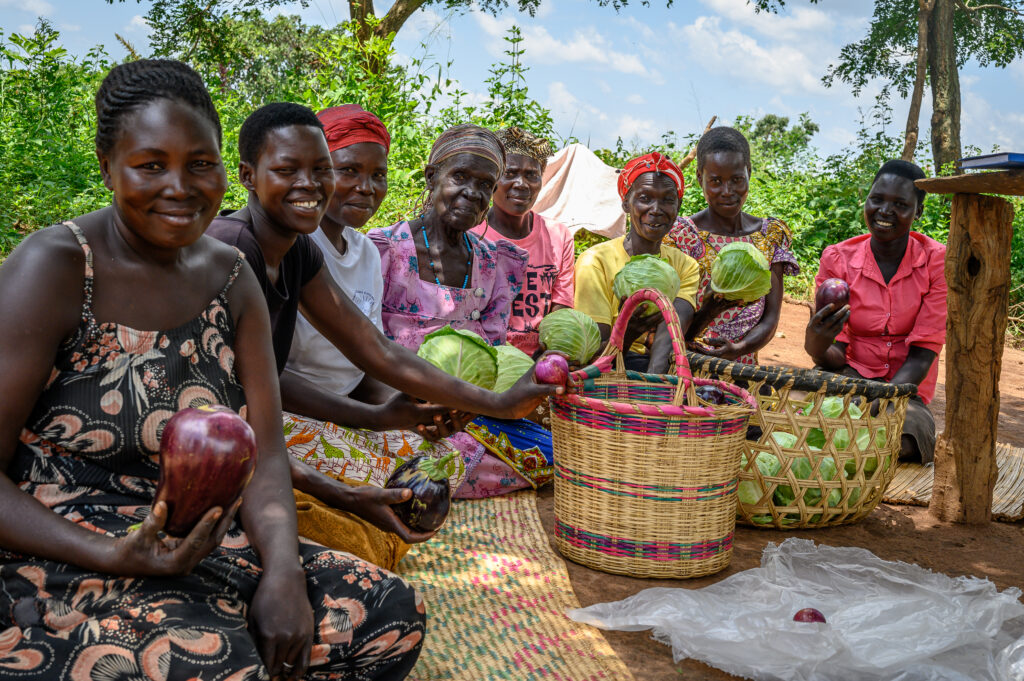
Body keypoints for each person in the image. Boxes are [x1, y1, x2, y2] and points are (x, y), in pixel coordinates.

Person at [0, 59, 422, 681]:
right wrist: (116, 554)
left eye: (201, 164)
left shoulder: (232, 276)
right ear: (106, 166)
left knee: (388, 613)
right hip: (59, 549)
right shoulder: (57, 267)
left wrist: (281, 572)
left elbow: (267, 453)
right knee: (215, 663)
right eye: (150, 165)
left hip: (200, 540)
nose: (181, 186)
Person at [206, 108, 559, 527]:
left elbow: (374, 350)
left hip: (298, 415)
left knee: (432, 473)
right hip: (230, 426)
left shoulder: (303, 251)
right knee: (401, 489)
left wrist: (482, 403)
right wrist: (374, 422)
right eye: (289, 169)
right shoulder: (231, 247)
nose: (311, 184)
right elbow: (260, 382)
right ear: (248, 175)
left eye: (321, 170)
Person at [278, 105, 482, 566]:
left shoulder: (366, 252)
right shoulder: (291, 249)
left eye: (377, 174)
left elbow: (366, 361)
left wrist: (411, 411)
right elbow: (274, 377)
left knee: (443, 461)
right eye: (348, 170)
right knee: (395, 483)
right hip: (291, 414)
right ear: (315, 171)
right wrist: (375, 420)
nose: (365, 187)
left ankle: (340, 509)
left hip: (349, 410)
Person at [369, 125, 552, 497]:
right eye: (460, 176)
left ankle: (430, 476)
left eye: (485, 184)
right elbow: (363, 348)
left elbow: (496, 355)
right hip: (397, 404)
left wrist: (469, 408)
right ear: (432, 176)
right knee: (425, 453)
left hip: (470, 408)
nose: (472, 192)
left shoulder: (495, 263)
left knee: (551, 452)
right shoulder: (385, 250)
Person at [804, 159, 945, 463]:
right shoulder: (838, 259)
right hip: (847, 374)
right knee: (813, 420)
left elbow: (923, 353)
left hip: (905, 387)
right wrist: (815, 344)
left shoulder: (936, 261)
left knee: (907, 437)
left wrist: (878, 403)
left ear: (917, 211)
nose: (885, 211)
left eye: (900, 204)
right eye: (877, 199)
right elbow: (835, 355)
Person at [665, 126, 800, 365]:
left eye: (737, 179)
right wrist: (710, 306)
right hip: (686, 369)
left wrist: (738, 349)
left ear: (748, 172)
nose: (727, 191)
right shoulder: (679, 236)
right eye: (715, 181)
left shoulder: (770, 236)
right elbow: (670, 325)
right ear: (699, 178)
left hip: (745, 372)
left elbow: (770, 320)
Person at [574, 152, 700, 374]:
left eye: (668, 200)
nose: (656, 209)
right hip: (606, 369)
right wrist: (627, 331)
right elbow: (593, 355)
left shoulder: (685, 266)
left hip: (656, 366)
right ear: (626, 204)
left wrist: (652, 388)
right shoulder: (595, 262)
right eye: (645, 198)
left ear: (678, 206)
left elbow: (671, 334)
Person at [469, 127, 575, 357]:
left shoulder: (559, 236)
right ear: (494, 177)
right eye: (510, 173)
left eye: (531, 175)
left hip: (540, 359)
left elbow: (561, 311)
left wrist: (544, 360)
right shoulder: (470, 234)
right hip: (484, 356)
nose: (522, 184)